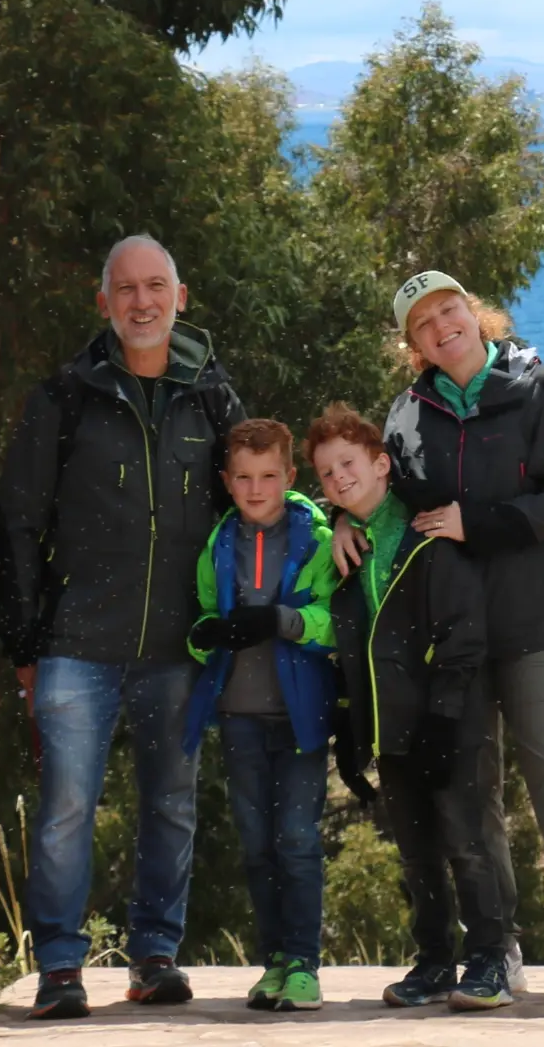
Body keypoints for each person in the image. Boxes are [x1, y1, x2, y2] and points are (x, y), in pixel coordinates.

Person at [333, 271, 544, 1007]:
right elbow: (381, 489)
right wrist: (341, 520)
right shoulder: (408, 413)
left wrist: (478, 523)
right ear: (414, 344)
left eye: (449, 309)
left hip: (540, 626)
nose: (442, 326)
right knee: (472, 799)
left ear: (475, 313)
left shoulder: (542, 390)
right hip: (448, 643)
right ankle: (500, 951)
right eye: (423, 323)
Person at [0, 235, 244, 1020]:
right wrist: (25, 645)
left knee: (171, 804)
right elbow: (16, 522)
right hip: (76, 645)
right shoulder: (65, 396)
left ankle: (155, 956)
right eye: (126, 288)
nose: (142, 301)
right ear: (104, 302)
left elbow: (252, 508)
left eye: (156, 285)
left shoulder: (214, 398)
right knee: (67, 810)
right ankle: (60, 968)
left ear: (181, 296)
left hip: (180, 647)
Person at [305, 402, 510, 1013]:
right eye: (326, 473)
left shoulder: (428, 533)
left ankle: (489, 962)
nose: (338, 477)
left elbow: (462, 636)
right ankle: (434, 962)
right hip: (390, 725)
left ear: (381, 464)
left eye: (348, 463)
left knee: (465, 843)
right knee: (417, 852)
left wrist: (444, 718)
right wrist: (352, 727)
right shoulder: (348, 548)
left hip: (448, 721)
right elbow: (355, 646)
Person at [184, 418, 338, 1014]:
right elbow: (205, 617)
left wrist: (284, 621)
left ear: (290, 476)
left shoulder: (317, 540)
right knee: (256, 844)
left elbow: (335, 624)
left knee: (296, 839)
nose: (256, 489)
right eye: (244, 478)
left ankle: (303, 965)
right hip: (238, 715)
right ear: (227, 480)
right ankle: (273, 962)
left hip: (299, 717)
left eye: (268, 476)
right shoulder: (219, 543)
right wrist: (206, 637)